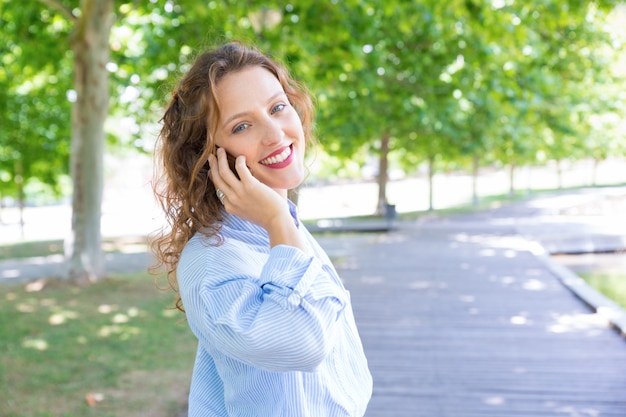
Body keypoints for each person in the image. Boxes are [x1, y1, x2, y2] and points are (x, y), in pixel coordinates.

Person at [151, 42, 372, 417]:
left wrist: (278, 221)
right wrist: (277, 220)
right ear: (207, 155)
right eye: (242, 125)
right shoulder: (212, 261)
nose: (275, 134)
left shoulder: (282, 227)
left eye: (277, 107)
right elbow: (304, 342)